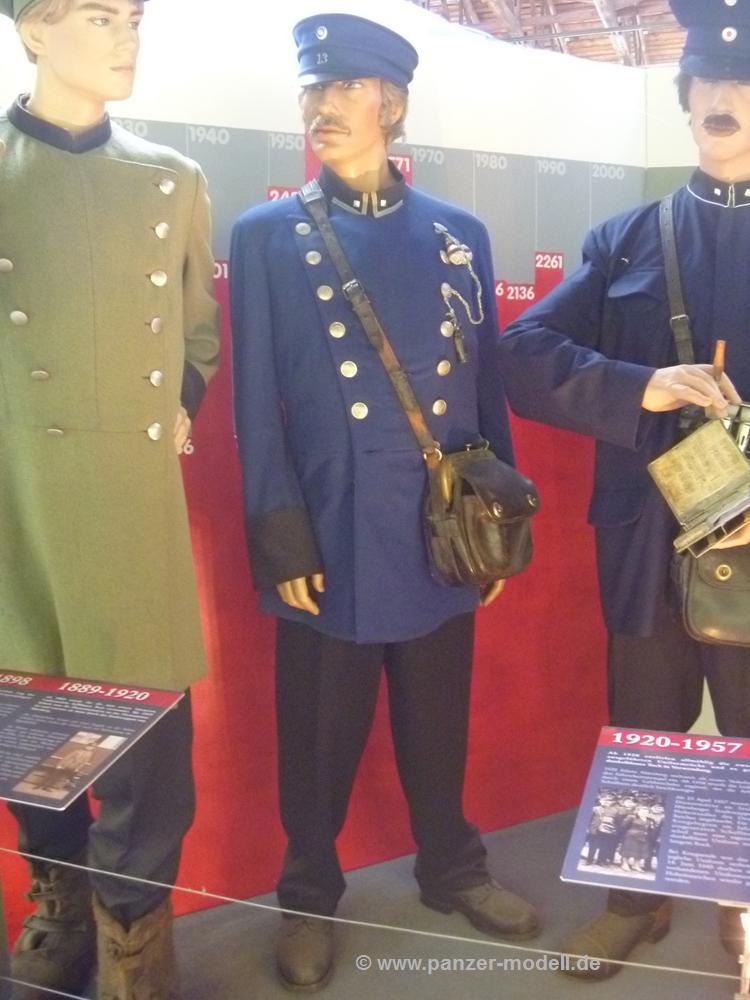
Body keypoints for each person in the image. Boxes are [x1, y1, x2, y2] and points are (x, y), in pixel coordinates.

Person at [230, 12, 538, 992]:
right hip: (329, 529)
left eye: (342, 90)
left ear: (390, 106)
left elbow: (484, 392)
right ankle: (308, 893)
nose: (320, 108)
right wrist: (282, 535)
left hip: (439, 527)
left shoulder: (457, 234)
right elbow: (255, 408)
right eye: (311, 91)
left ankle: (452, 869)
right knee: (317, 732)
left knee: (437, 717)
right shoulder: (266, 236)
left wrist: (499, 527)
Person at [498, 0, 750, 979]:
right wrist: (640, 384)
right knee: (643, 723)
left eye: (746, 83)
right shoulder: (628, 238)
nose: (726, 97)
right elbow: (523, 354)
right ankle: (633, 900)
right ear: (685, 102)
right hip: (647, 535)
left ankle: (743, 901)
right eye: (710, 82)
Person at [0, 1, 220, 996]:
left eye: (135, 17)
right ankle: (60, 890)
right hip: (19, 490)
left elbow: (197, 329)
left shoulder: (173, 178)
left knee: (145, 730)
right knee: (32, 705)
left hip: (130, 493)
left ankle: (134, 927)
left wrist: (181, 399)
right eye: (101, 15)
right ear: (34, 30)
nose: (129, 37)